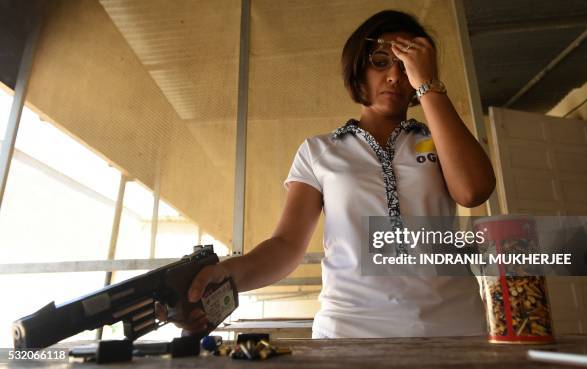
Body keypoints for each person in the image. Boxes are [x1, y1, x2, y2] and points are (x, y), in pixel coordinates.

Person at [163, 9, 496, 338]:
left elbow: (473, 191)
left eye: (407, 66)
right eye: (380, 61)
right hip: (349, 333)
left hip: (453, 329)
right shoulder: (318, 151)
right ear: (358, 68)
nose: (395, 76)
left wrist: (429, 85)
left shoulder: (439, 140)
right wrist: (226, 274)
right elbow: (286, 245)